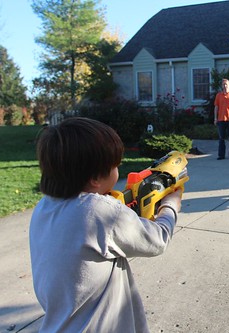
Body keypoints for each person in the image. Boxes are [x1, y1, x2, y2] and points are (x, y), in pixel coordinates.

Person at [29, 117, 182, 332]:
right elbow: (158, 240)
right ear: (94, 177)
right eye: (116, 165)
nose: (118, 170)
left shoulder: (44, 207)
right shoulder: (99, 211)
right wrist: (170, 207)